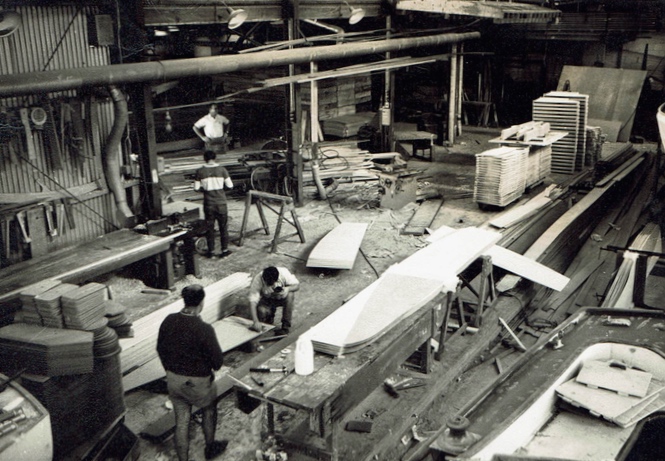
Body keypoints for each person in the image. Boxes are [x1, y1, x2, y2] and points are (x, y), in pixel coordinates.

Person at [156, 285, 227, 461]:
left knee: (181, 421)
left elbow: (160, 348)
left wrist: (169, 370)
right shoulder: (204, 329)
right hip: (198, 383)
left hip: (174, 380)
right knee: (209, 409)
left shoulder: (168, 320)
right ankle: (210, 448)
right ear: (202, 302)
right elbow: (217, 363)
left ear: (184, 300)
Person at [194, 150, 233, 258]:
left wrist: (206, 190)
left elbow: (196, 188)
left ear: (204, 158)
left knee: (209, 228)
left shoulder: (200, 171)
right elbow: (230, 186)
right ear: (215, 158)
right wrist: (220, 190)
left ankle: (211, 252)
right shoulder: (222, 170)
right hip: (221, 203)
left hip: (208, 204)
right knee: (223, 228)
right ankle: (224, 250)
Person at [248, 266, 300, 335]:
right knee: (261, 311)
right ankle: (269, 317)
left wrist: (287, 289)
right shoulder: (258, 279)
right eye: (269, 284)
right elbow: (253, 301)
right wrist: (255, 321)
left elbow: (297, 286)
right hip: (267, 300)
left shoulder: (284, 273)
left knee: (290, 295)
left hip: (281, 298)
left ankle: (285, 327)